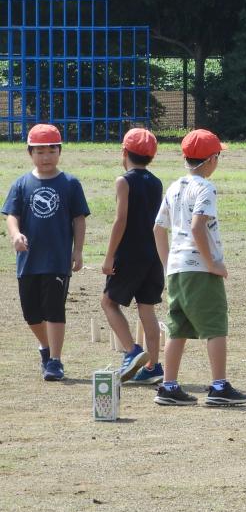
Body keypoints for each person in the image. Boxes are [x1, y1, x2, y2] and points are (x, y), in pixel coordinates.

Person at [152, 129, 246, 407]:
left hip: (177, 269)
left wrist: (167, 265)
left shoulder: (173, 187)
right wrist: (213, 264)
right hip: (199, 269)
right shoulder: (205, 188)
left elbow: (158, 229)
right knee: (216, 326)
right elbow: (198, 226)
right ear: (210, 160)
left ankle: (168, 385)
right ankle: (219, 385)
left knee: (178, 328)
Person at [3, 123, 90, 381]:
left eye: (51, 151)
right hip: (28, 261)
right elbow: (11, 216)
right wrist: (15, 235)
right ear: (30, 153)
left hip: (57, 260)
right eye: (39, 152)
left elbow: (79, 219)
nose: (46, 157)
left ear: (59, 152)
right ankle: (45, 347)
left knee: (54, 310)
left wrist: (78, 251)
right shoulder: (21, 184)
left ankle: (55, 361)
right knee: (31, 314)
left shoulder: (70, 183)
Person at [100, 128, 166, 385]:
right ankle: (153, 366)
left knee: (108, 302)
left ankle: (132, 351)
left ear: (124, 152)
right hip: (152, 254)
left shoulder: (123, 181)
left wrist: (108, 257)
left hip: (129, 254)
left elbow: (121, 220)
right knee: (146, 308)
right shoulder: (157, 182)